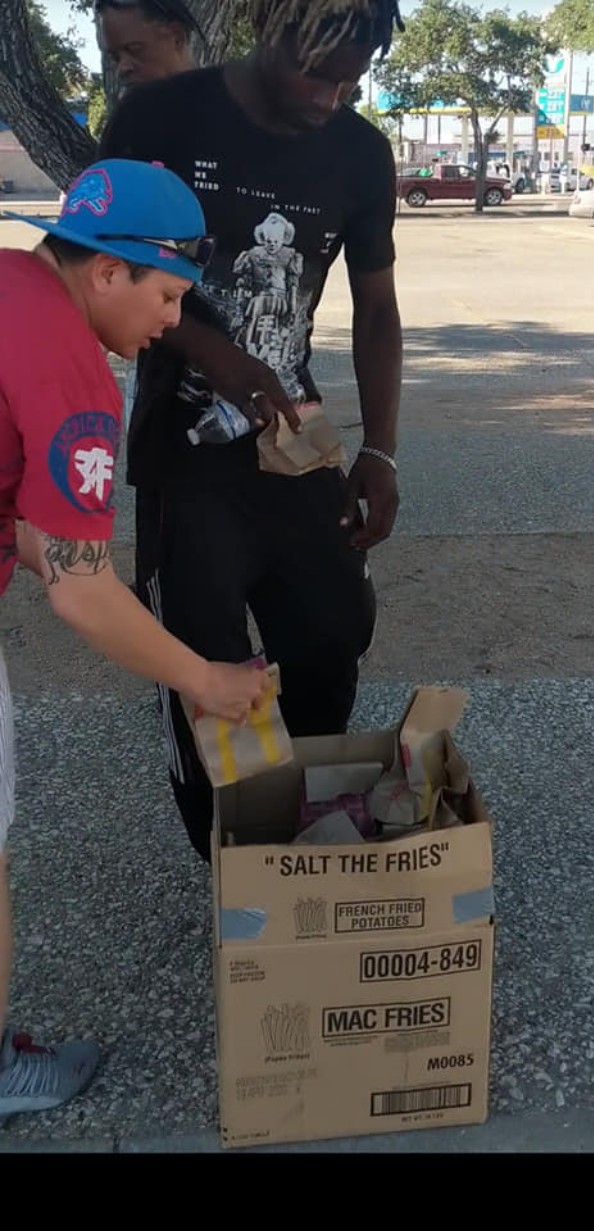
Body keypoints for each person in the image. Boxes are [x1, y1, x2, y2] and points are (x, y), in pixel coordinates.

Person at [98, 0, 404, 865]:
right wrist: (209, 349)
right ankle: (233, 861)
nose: (333, 96)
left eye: (353, 78)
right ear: (270, 29)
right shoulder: (160, 115)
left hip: (291, 439)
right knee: (203, 651)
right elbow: (98, 263)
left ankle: (295, 821)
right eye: (320, 72)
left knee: (331, 627)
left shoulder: (359, 151)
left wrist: (379, 451)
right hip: (182, 448)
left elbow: (377, 309)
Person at [0, 158, 267, 1121]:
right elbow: (83, 592)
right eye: (166, 295)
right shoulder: (74, 371)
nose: (169, 324)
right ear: (107, 271)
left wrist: (58, 559)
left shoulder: (7, 280)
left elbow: (33, 532)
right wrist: (206, 679)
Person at [95, 0, 202, 430]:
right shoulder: (129, 127)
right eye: (114, 57)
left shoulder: (243, 117)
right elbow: (96, 252)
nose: (123, 67)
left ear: (176, 36)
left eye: (134, 50)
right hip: (160, 361)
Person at [94, 0, 202, 92]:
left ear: (177, 38)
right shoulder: (130, 115)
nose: (122, 69)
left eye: (135, 49)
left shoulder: (216, 109)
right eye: (115, 58)